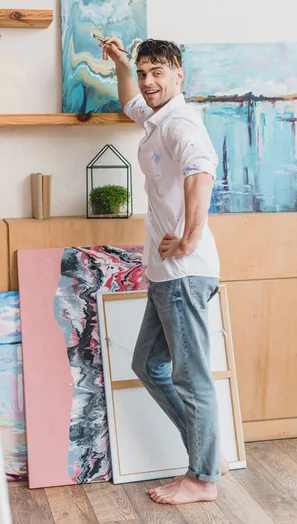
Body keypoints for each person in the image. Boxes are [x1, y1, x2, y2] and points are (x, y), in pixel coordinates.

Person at [100, 37, 227, 505]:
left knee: (190, 379)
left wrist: (191, 236)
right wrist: (119, 64)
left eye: (158, 72)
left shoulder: (180, 123)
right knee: (147, 366)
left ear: (179, 75)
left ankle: (203, 477)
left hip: (183, 273)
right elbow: (132, 99)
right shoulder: (156, 117)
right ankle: (206, 452)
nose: (149, 81)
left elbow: (200, 171)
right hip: (164, 276)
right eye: (144, 71)